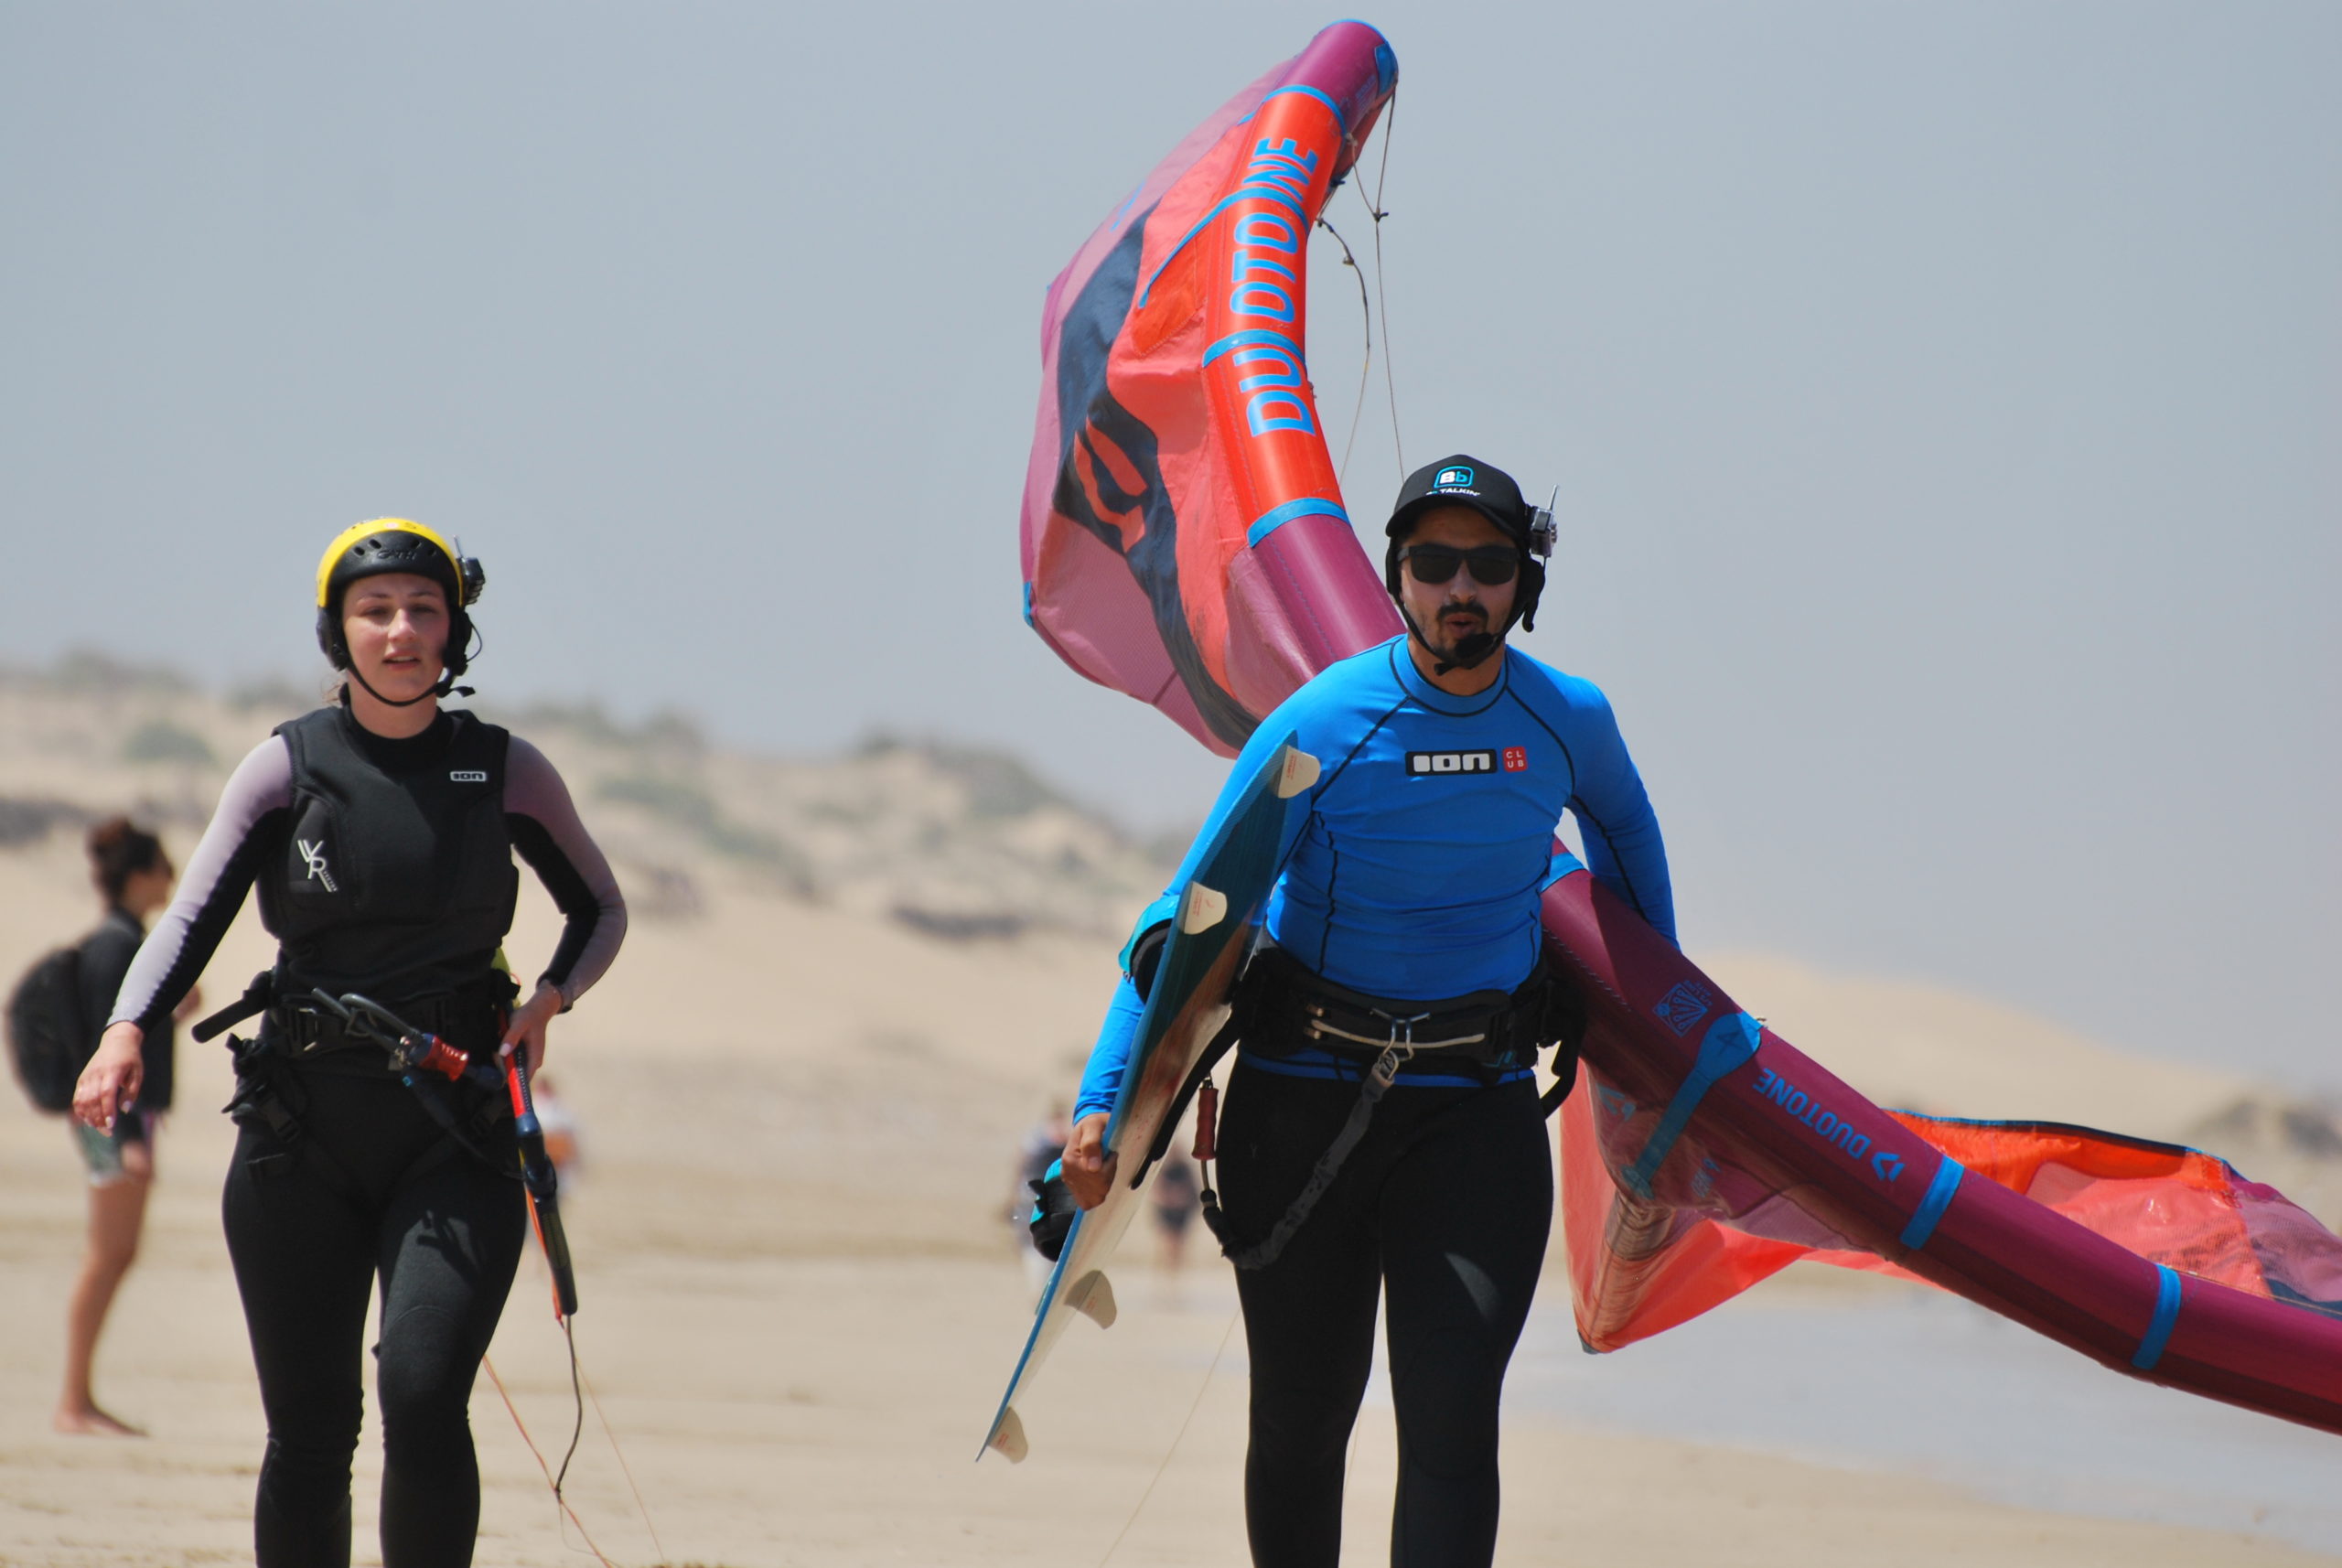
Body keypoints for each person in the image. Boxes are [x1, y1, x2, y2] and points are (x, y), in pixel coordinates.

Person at [1059, 457, 1675, 1568]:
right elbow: (1187, 914)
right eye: (1432, 563)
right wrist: (1104, 1098)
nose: (1460, 590)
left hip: (1474, 1117)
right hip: (1299, 1106)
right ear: (1395, 577)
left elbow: (1630, 852)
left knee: (1451, 1427)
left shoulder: (1566, 719)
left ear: (1521, 584)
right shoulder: (1326, 720)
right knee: (1302, 1423)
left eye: (1487, 566)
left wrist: (1663, 1029)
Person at [72, 519, 627, 1568]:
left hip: (453, 1141)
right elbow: (191, 920)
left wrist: (549, 998)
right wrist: (123, 1031)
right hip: (299, 1139)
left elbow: (600, 908)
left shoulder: (504, 770)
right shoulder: (285, 767)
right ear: (340, 630)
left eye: (423, 609)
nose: (401, 629)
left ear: (454, 631)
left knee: (422, 1397)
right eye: (376, 611)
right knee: (312, 1433)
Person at [55, 816, 197, 1436]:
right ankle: (73, 1400)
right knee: (106, 1255)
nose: (171, 879)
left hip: (117, 1119)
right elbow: (104, 1051)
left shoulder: (121, 940)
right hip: (113, 1119)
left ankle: (78, 1396)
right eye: (164, 868)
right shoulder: (119, 946)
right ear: (140, 876)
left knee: (115, 1253)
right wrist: (130, 1139)